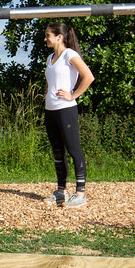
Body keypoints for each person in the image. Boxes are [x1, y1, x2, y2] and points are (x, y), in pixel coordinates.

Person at [43, 22, 94, 208]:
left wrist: (73, 95)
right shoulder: (50, 58)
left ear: (59, 37)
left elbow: (88, 76)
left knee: (73, 150)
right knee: (57, 151)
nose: (45, 39)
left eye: (48, 35)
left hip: (66, 109)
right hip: (51, 110)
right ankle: (61, 192)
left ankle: (80, 194)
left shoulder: (70, 55)